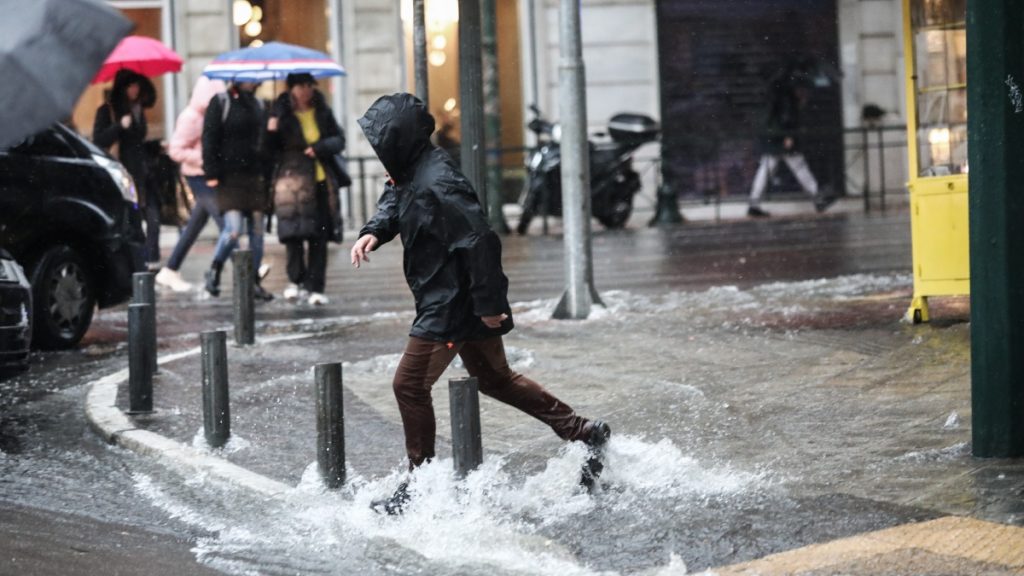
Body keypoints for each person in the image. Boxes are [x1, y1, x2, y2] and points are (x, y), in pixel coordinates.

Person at [350, 93, 611, 515]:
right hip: (452, 296)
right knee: (496, 379)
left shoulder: (439, 180)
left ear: (400, 140)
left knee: (409, 385)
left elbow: (480, 240)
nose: (378, 152)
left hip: (451, 303)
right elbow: (395, 198)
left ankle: (421, 487)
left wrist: (490, 304)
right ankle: (583, 431)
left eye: (382, 142)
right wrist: (374, 232)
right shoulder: (412, 171)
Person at [266, 73, 345, 305]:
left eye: (309, 85)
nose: (306, 90)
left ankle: (316, 286)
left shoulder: (322, 110)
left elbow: (338, 139)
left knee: (319, 236)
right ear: (291, 88)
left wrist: (319, 147)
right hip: (291, 183)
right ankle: (295, 281)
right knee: (294, 234)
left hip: (320, 180)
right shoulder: (279, 112)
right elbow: (268, 150)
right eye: (301, 86)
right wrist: (272, 127)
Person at [201, 80, 273, 301]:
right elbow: (209, 138)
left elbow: (266, 143)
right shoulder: (221, 102)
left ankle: (253, 281)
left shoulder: (260, 105)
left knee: (257, 234)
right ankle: (214, 269)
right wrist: (211, 172)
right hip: (229, 177)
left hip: (254, 176)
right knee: (233, 229)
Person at [155, 76, 228, 292]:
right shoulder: (191, 117)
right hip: (197, 175)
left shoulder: (210, 116)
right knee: (225, 221)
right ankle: (250, 271)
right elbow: (176, 150)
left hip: (206, 173)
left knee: (196, 224)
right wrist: (204, 159)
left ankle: (170, 269)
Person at [746, 64, 835, 218]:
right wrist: (788, 136)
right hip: (782, 138)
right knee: (799, 167)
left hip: (772, 137)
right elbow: (787, 118)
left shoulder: (776, 92)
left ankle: (754, 204)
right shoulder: (787, 96)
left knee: (766, 170)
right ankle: (818, 198)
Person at [93, 69, 160, 264]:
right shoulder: (107, 110)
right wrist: (119, 126)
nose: (134, 90)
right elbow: (99, 140)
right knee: (133, 223)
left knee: (153, 219)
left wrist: (155, 147)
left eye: (137, 85)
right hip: (123, 174)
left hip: (143, 173)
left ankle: (151, 261)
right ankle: (139, 266)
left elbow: (137, 143)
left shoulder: (138, 110)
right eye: (130, 86)